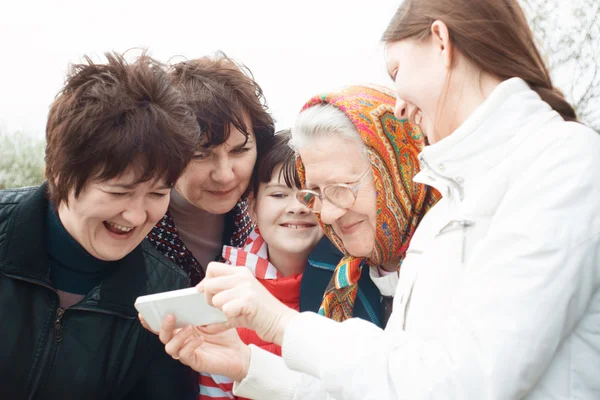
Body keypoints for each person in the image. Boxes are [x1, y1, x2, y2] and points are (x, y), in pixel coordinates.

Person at [155, 0, 600, 398]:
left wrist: (281, 324)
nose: (400, 107)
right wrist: (250, 366)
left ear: (441, 43)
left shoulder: (562, 163)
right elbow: (399, 381)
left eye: (396, 72)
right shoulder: (451, 206)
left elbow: (469, 380)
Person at [150, 84, 439, 395]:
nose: (324, 214)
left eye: (342, 187)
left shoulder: (454, 262)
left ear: (397, 171)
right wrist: (246, 364)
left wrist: (278, 323)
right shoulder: (343, 277)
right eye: (314, 193)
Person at [0, 52, 201, 399]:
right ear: (60, 173)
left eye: (157, 193)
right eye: (118, 191)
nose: (137, 216)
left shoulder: (164, 294)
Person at [199, 129, 324, 399]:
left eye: (311, 193)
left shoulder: (357, 284)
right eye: (279, 195)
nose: (298, 207)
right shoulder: (226, 295)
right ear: (252, 208)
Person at [147, 52, 275, 286]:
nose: (225, 175)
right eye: (201, 155)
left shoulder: (275, 216)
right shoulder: (133, 223)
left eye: (240, 150)